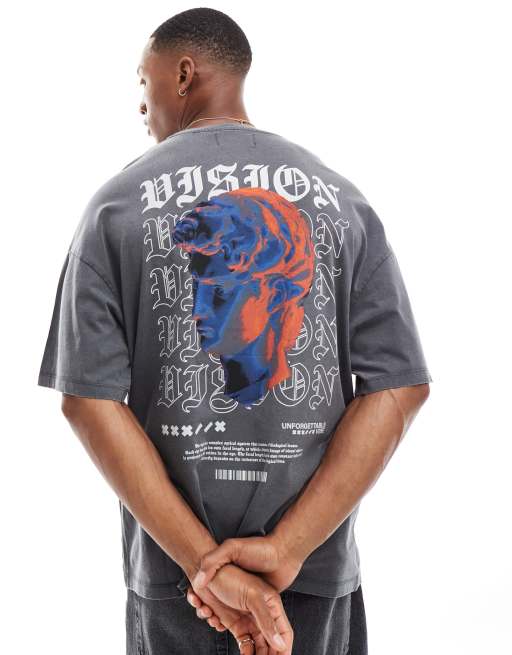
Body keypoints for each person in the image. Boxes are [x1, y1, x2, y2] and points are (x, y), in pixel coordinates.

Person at [37, 7, 432, 655]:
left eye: (143, 81)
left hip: (178, 581)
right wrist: (288, 548)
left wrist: (204, 563)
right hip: (310, 576)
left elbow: (86, 399)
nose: (141, 105)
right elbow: (400, 387)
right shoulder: (344, 202)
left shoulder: (116, 205)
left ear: (183, 73)